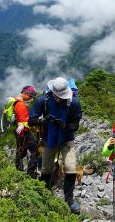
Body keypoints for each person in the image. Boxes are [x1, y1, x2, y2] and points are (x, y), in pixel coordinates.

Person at [28, 77, 83, 214]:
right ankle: (44, 195)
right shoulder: (43, 101)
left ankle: (69, 200)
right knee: (46, 169)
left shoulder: (73, 103)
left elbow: (75, 125)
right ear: (52, 92)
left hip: (66, 139)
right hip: (48, 139)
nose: (59, 99)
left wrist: (65, 126)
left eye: (61, 97)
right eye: (57, 96)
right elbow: (31, 120)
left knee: (70, 168)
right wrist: (43, 121)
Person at [13, 85, 38, 178]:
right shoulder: (21, 105)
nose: (31, 99)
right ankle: (30, 173)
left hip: (17, 130)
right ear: (26, 93)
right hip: (23, 131)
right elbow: (24, 122)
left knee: (21, 151)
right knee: (35, 150)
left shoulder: (15, 101)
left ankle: (19, 171)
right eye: (30, 96)